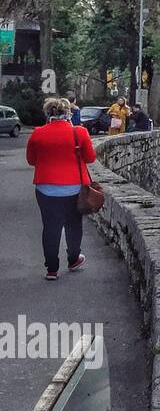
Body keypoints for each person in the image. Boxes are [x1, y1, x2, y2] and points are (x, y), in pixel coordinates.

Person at [25, 96, 94, 280]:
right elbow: (90, 157)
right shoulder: (79, 132)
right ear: (68, 113)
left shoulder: (38, 133)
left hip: (45, 188)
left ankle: (52, 269)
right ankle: (73, 259)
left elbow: (31, 160)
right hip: (73, 188)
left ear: (48, 114)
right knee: (73, 224)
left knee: (50, 227)